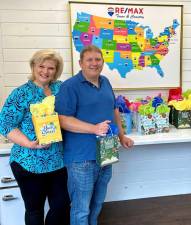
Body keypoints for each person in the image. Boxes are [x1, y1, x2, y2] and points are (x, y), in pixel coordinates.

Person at [55, 45, 134, 225]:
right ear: (80, 63)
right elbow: (62, 119)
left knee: (97, 203)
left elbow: (113, 110)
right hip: (82, 158)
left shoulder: (105, 82)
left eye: (98, 59)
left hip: (107, 153)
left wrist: (121, 137)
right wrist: (94, 128)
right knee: (81, 208)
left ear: (102, 62)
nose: (94, 63)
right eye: (89, 60)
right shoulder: (70, 86)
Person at [0, 49, 70, 225]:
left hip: (57, 160)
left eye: (51, 68)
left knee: (61, 206)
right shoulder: (21, 93)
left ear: (56, 70)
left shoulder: (60, 88)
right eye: (41, 66)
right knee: (35, 210)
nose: (45, 72)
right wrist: (30, 144)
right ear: (33, 66)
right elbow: (5, 124)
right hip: (28, 162)